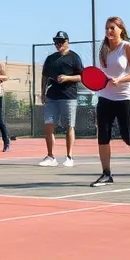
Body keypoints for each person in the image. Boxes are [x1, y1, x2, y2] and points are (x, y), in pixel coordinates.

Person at [89, 17, 130, 187]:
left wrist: (121, 79)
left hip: (125, 97)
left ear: (121, 30)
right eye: (106, 28)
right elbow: (101, 74)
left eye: (112, 28)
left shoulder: (127, 47)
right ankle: (106, 174)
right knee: (103, 136)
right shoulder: (103, 49)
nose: (109, 31)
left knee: (129, 137)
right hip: (105, 97)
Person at [40, 31, 83, 167]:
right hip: (51, 96)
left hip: (68, 96)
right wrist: (42, 93)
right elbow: (44, 77)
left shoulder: (74, 58)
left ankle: (69, 157)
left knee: (69, 125)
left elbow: (82, 76)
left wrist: (67, 78)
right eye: (56, 42)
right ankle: (50, 156)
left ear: (67, 42)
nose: (58, 44)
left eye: (61, 42)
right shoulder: (50, 59)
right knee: (48, 125)